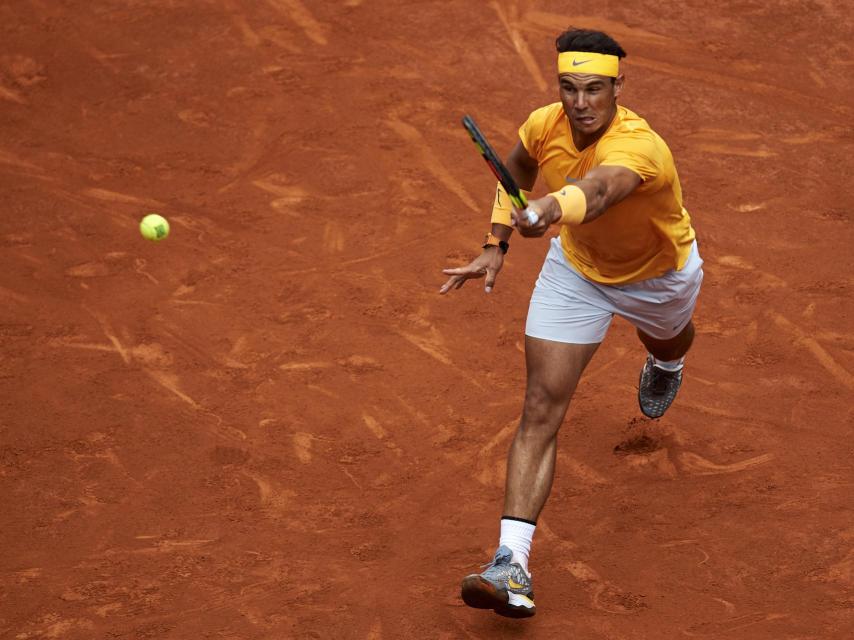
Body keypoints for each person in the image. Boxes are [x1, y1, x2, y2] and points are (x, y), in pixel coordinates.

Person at [439, 27, 703, 618]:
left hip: (658, 278)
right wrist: (497, 241)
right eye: (569, 89)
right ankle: (511, 562)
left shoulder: (642, 147)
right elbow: (517, 166)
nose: (580, 103)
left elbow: (600, 190)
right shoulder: (544, 123)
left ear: (617, 88)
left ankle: (667, 361)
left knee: (668, 336)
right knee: (540, 404)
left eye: (594, 89)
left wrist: (551, 209)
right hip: (577, 273)